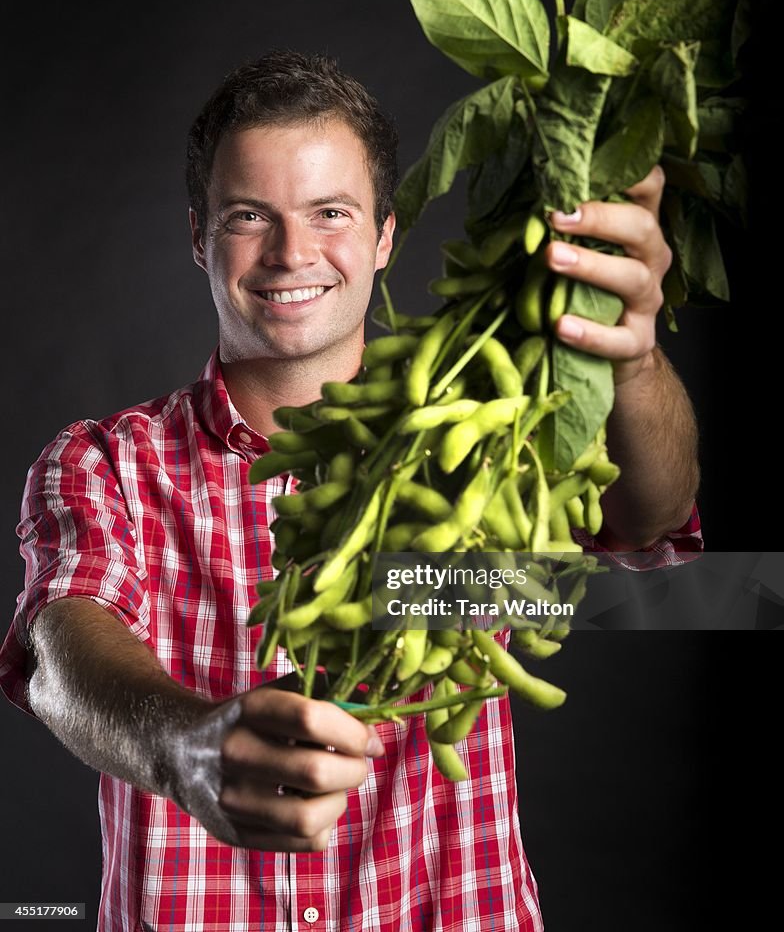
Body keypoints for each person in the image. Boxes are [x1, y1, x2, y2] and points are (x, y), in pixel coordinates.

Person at [0, 49, 701, 931]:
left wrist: (630, 357)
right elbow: (61, 648)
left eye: (331, 212)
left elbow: (655, 525)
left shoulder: (479, 437)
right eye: (250, 216)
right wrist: (182, 747)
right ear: (198, 237)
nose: (293, 252)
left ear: (383, 235)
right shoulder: (107, 464)